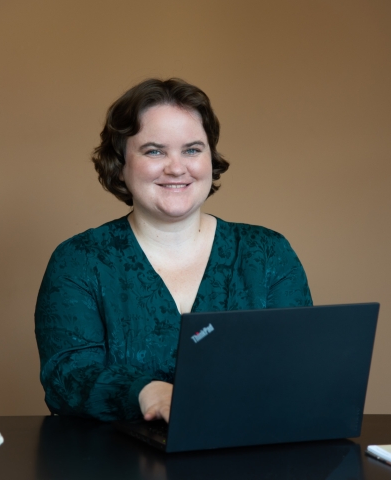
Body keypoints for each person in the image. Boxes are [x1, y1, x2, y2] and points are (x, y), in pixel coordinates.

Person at [35, 78, 312, 424]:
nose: (177, 167)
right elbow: (66, 379)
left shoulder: (268, 254)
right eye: (155, 151)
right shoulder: (79, 261)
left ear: (211, 158)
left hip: (249, 459)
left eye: (192, 149)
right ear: (120, 164)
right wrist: (145, 392)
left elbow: (298, 372)